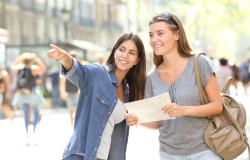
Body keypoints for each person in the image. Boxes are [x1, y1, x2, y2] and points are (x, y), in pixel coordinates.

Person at [126, 12, 223, 160]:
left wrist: (183, 110)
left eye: (160, 33)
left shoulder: (199, 63)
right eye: (151, 35)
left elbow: (217, 106)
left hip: (204, 150)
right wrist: (138, 120)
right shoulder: (152, 78)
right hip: (168, 154)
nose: (154, 39)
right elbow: (159, 123)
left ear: (177, 34)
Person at [47, 32, 146, 160]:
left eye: (132, 52)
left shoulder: (128, 92)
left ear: (137, 60)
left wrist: (134, 119)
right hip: (81, 155)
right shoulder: (98, 73)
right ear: (115, 51)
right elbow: (79, 72)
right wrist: (65, 57)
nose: (125, 55)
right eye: (121, 49)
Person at [11, 52, 46, 145]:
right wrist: (36, 58)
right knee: (35, 114)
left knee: (26, 115)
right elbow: (43, 69)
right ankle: (34, 134)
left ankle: (27, 137)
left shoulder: (19, 68)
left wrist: (20, 58)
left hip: (22, 94)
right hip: (32, 93)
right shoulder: (33, 68)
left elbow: (12, 66)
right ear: (31, 61)